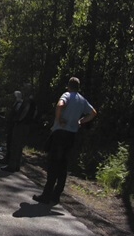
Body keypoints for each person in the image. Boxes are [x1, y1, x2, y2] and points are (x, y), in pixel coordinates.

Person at [33, 77, 97, 205]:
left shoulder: (67, 95)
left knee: (53, 164)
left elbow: (60, 105)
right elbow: (93, 112)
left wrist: (59, 119)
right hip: (71, 135)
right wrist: (81, 121)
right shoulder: (82, 100)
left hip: (60, 134)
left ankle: (46, 195)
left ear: (68, 86)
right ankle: (56, 196)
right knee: (63, 166)